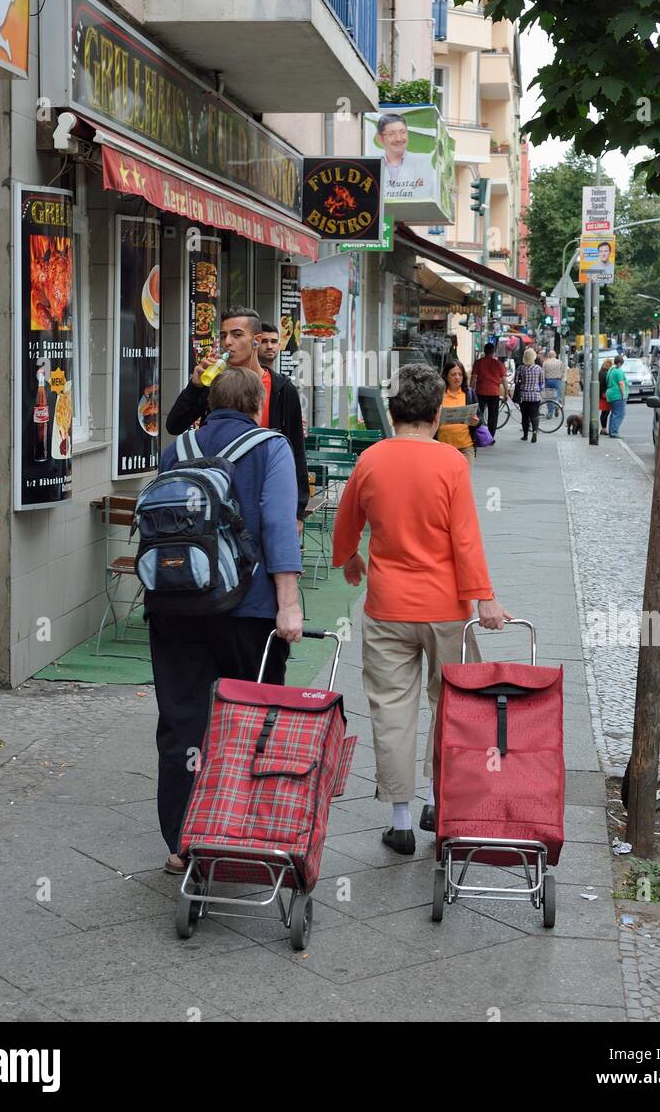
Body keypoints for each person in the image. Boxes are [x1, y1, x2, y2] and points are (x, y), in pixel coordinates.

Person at [332, 365, 512, 854]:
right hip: (447, 607)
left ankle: (402, 819)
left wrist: (350, 557)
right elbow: (465, 538)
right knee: (450, 703)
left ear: (392, 413)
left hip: (388, 606)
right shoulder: (452, 463)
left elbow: (347, 519)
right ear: (437, 414)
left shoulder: (370, 459)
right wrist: (485, 597)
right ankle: (438, 797)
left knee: (392, 708)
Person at [150, 367, 304, 874]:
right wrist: (289, 603)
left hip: (173, 605)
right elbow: (280, 525)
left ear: (208, 404)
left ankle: (180, 841)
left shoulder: (179, 451)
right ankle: (238, 830)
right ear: (257, 404)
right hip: (248, 610)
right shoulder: (271, 447)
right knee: (251, 720)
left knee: (183, 719)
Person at [165, 306, 309, 528]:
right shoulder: (214, 383)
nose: (227, 342)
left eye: (237, 334)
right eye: (223, 335)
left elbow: (296, 450)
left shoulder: (282, 388)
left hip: (263, 497)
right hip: (216, 498)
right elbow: (174, 425)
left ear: (256, 340)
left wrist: (298, 512)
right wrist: (194, 387)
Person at [436, 359, 479, 458]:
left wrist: (476, 422)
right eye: (453, 374)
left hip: (465, 447)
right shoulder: (439, 394)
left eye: (460, 374)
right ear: (446, 376)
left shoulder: (469, 393)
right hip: (442, 447)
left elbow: (479, 418)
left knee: (464, 474)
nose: (457, 377)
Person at [376, 113, 427, 193]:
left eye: (402, 132)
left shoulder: (424, 162)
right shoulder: (374, 165)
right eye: (391, 134)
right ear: (380, 139)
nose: (398, 138)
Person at [470, 341, 508, 436]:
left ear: (484, 351)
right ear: (493, 351)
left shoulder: (478, 362)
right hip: (494, 393)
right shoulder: (498, 364)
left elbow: (474, 378)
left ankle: (478, 435)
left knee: (478, 414)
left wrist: (470, 390)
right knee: (493, 416)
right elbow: (504, 380)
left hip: (480, 392)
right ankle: (491, 436)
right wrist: (506, 393)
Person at [514, 346, 544, 443]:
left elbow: (516, 381)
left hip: (524, 396)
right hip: (535, 395)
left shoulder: (521, 368)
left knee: (525, 416)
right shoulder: (539, 368)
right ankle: (534, 432)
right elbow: (542, 383)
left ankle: (525, 435)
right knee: (534, 415)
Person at [605, 353, 629, 437]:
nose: (621, 365)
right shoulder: (618, 371)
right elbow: (621, 383)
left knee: (614, 413)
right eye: (621, 363)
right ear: (619, 363)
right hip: (617, 395)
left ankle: (612, 431)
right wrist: (623, 394)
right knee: (619, 413)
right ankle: (614, 431)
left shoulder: (611, 370)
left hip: (610, 394)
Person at [542, 349, 566, 416]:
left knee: (549, 397)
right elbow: (563, 372)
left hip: (548, 381)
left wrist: (543, 382)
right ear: (555, 355)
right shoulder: (560, 362)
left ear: (549, 355)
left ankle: (550, 413)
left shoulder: (545, 362)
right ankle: (557, 405)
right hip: (557, 380)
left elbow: (543, 373)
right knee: (557, 395)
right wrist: (561, 379)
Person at [598, 356, 613, 433]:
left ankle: (603, 428)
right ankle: (603, 428)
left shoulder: (601, 372)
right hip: (604, 395)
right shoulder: (605, 373)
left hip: (601, 394)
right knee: (605, 412)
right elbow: (606, 384)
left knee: (604, 412)